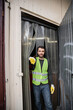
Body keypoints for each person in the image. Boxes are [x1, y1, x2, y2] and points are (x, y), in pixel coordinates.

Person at [29, 46, 54, 110]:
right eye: (39, 51)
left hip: (45, 85)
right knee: (37, 102)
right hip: (36, 85)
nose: (41, 53)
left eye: (42, 51)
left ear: (44, 52)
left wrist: (52, 84)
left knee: (48, 103)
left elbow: (50, 73)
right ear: (37, 52)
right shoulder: (34, 60)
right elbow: (32, 68)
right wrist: (32, 63)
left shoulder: (47, 61)